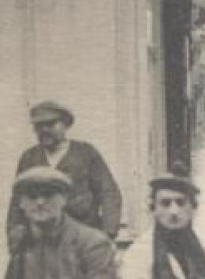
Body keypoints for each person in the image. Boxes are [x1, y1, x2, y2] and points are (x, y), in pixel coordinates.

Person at [9, 100, 124, 239]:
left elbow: (109, 192)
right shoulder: (29, 157)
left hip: (83, 234)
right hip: (42, 240)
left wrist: (108, 232)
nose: (45, 130)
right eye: (39, 126)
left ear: (65, 124)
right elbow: (17, 200)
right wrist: (14, 235)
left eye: (51, 124)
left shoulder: (85, 153)